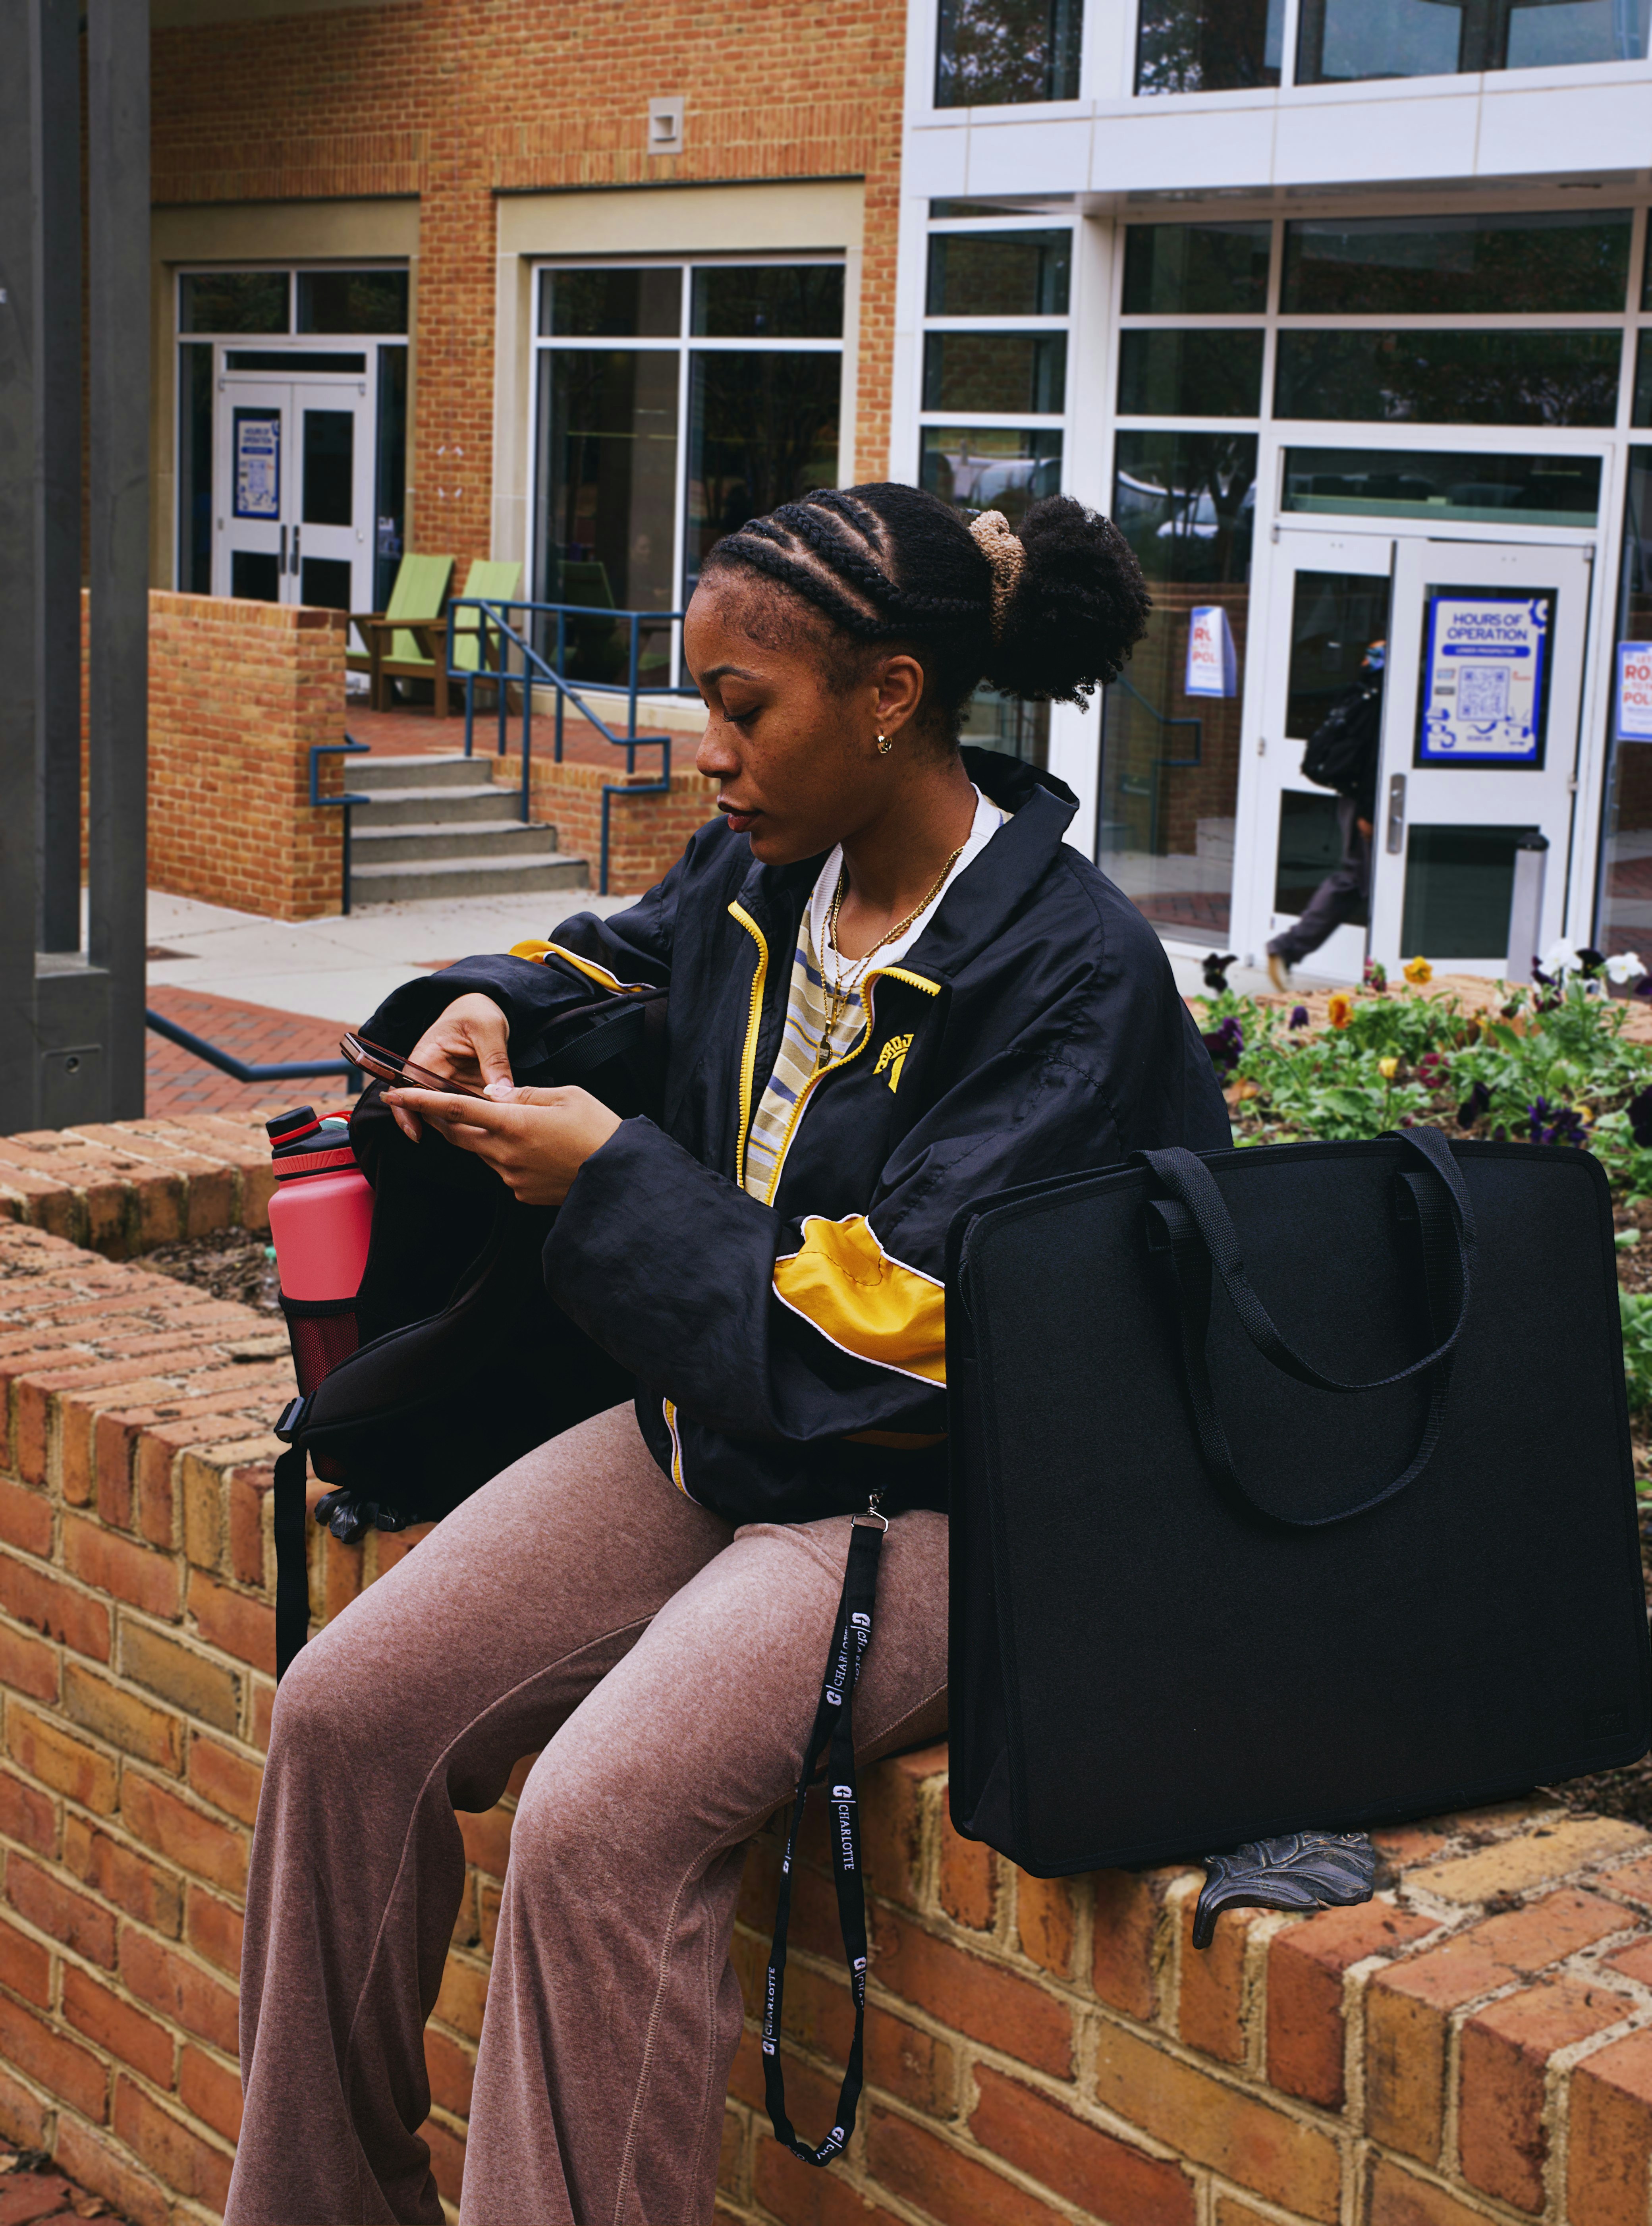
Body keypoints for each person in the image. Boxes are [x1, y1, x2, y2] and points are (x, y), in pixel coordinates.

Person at [226, 483, 1232, 2226]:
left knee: (599, 1822)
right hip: (715, 1439)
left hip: (939, 1507)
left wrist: (611, 1179)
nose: (706, 749)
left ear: (890, 698)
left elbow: (905, 1342)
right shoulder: (771, 869)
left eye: (742, 706)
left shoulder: (1077, 981)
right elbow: (611, 967)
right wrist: (489, 1008)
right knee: (345, 1714)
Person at [1267, 640, 1386, 992]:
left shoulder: (1366, 693)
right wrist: (1368, 810)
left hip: (1362, 801)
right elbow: (1375, 759)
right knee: (1355, 880)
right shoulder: (1379, 700)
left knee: (1359, 880)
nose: (1364, 660)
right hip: (1369, 804)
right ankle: (1288, 948)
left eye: (1373, 654)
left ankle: (1289, 948)